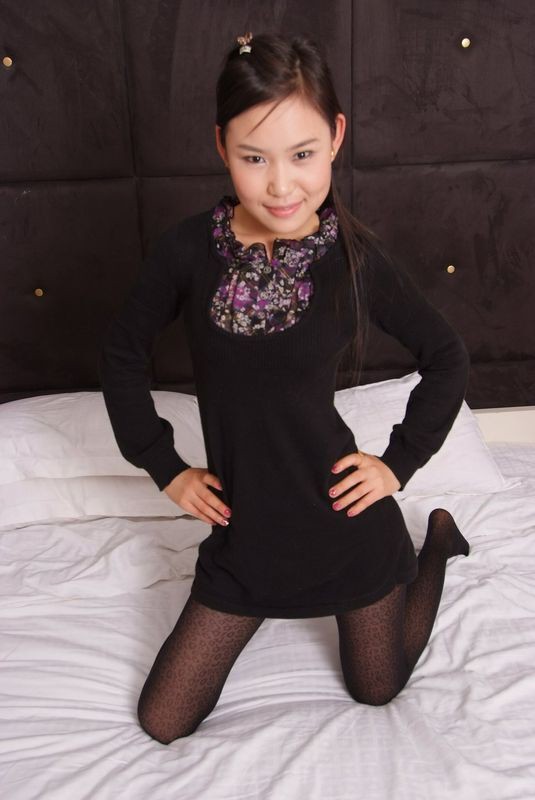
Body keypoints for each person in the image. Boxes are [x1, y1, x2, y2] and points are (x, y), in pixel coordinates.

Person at [99, 31, 471, 745]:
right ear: (221, 146)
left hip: (344, 525)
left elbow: (447, 356)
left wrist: (396, 464)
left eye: (302, 155)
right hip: (246, 536)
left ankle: (436, 543)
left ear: (335, 138)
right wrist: (163, 465)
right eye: (254, 157)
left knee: (377, 688)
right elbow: (120, 353)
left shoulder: (355, 259)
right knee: (163, 720)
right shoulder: (186, 251)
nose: (280, 185)